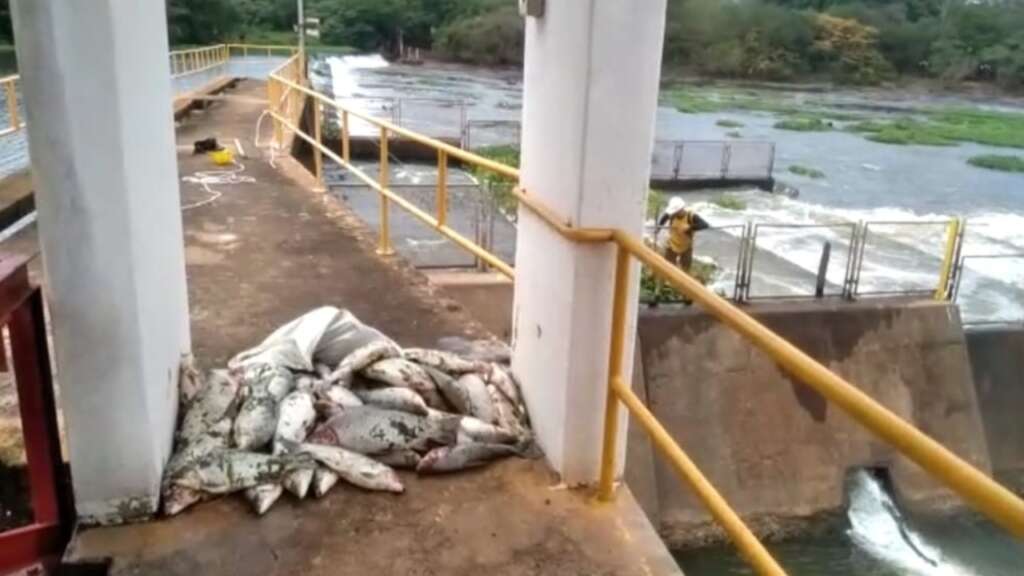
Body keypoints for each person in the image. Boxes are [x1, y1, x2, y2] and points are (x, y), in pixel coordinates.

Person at [658, 196, 709, 272]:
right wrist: (658, 229)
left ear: (681, 209)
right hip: (672, 245)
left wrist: (690, 228)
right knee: (667, 267)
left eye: (676, 211)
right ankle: (667, 282)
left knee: (685, 270)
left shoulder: (691, 216)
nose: (674, 213)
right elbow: (664, 218)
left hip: (686, 247)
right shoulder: (672, 214)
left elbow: (704, 225)